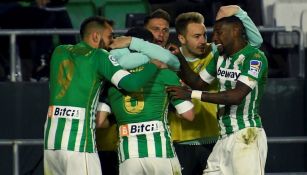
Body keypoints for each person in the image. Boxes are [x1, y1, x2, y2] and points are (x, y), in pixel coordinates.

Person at [43, 16, 163, 175]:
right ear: (95, 36)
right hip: (78, 144)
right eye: (109, 37)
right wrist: (153, 65)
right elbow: (132, 84)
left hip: (51, 143)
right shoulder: (100, 56)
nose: (112, 42)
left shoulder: (59, 52)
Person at [167, 14, 268, 175]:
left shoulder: (254, 58)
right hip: (223, 137)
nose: (214, 38)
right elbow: (198, 82)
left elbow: (236, 96)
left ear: (235, 31)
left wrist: (191, 94)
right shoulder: (220, 56)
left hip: (246, 135)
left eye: (219, 32)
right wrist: (179, 57)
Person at [98, 27, 194, 175]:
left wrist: (123, 118)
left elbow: (100, 122)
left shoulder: (114, 78)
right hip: (161, 152)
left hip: (129, 156)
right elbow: (189, 115)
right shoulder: (165, 73)